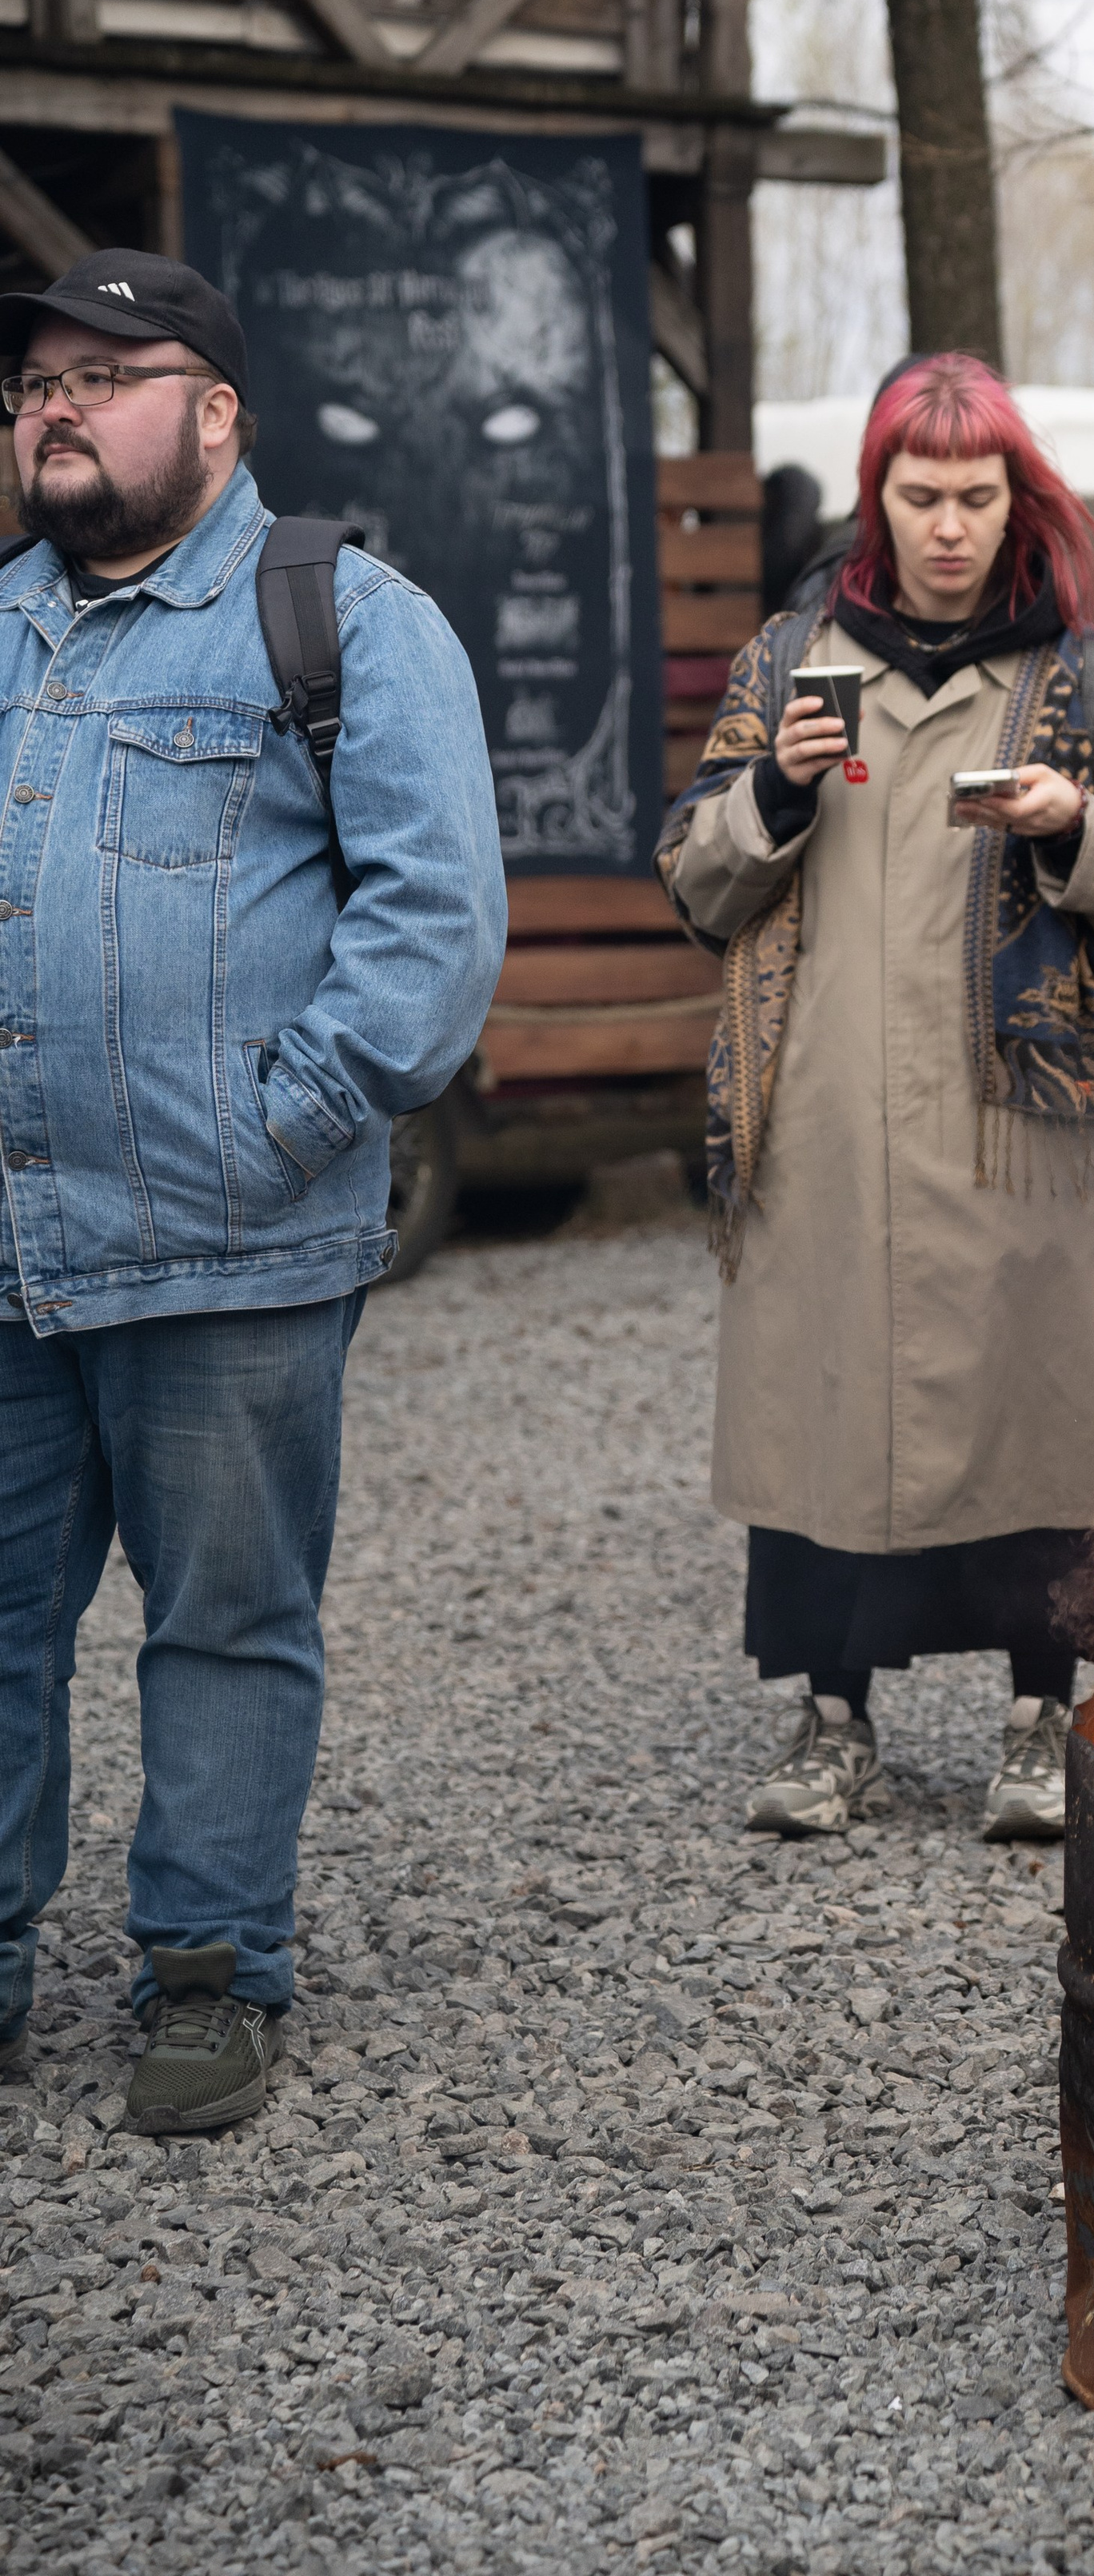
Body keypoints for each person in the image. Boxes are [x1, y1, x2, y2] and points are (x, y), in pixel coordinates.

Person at [0, 250, 505, 2132]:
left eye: (105, 373)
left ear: (217, 412)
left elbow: (433, 929)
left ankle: (208, 1970)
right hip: (9, 1239)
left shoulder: (350, 625)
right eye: (34, 379)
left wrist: (279, 1129)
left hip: (229, 1248)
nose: (54, 404)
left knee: (222, 1621)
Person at [659, 353, 1094, 1843]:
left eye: (979, 496)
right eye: (922, 496)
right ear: (880, 497)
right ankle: (831, 1716)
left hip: (1025, 1135)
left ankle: (1045, 1715)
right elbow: (695, 883)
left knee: (1044, 1417)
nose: (951, 527)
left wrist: (1078, 824)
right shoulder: (792, 664)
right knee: (822, 1416)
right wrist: (775, 794)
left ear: (1019, 500)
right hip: (828, 1125)